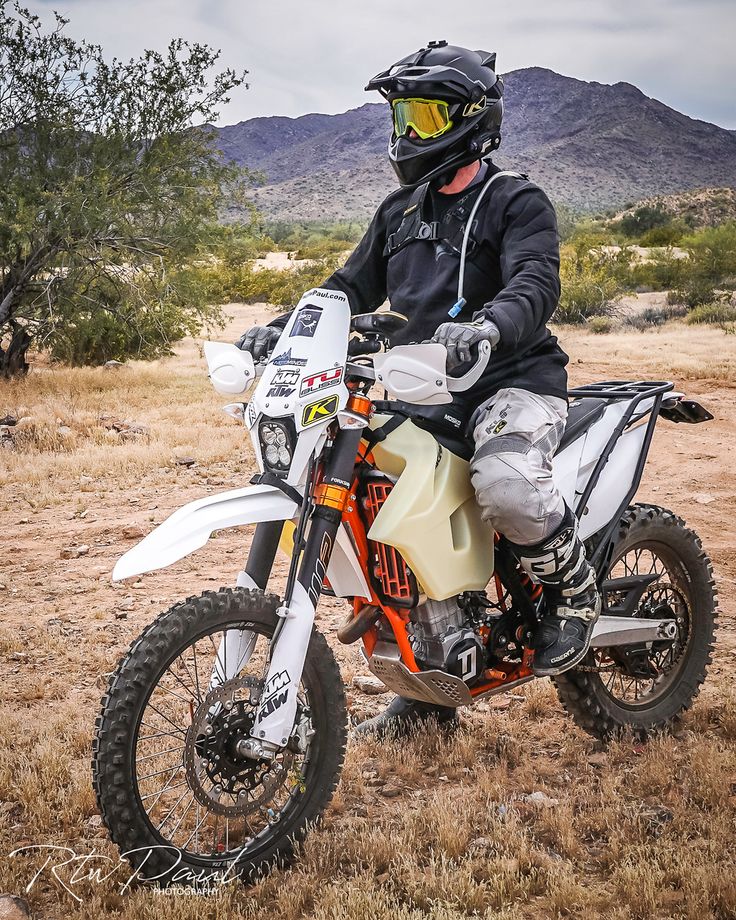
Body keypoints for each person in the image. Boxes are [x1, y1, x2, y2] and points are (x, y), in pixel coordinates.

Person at [238, 40, 601, 737]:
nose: (407, 135)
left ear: (471, 119)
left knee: (504, 482)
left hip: (509, 381)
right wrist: (282, 329)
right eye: (402, 118)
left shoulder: (516, 201)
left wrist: (491, 326)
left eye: (425, 119)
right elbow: (345, 289)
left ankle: (574, 594)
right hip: (418, 388)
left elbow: (536, 282)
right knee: (376, 505)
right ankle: (431, 679)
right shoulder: (400, 212)